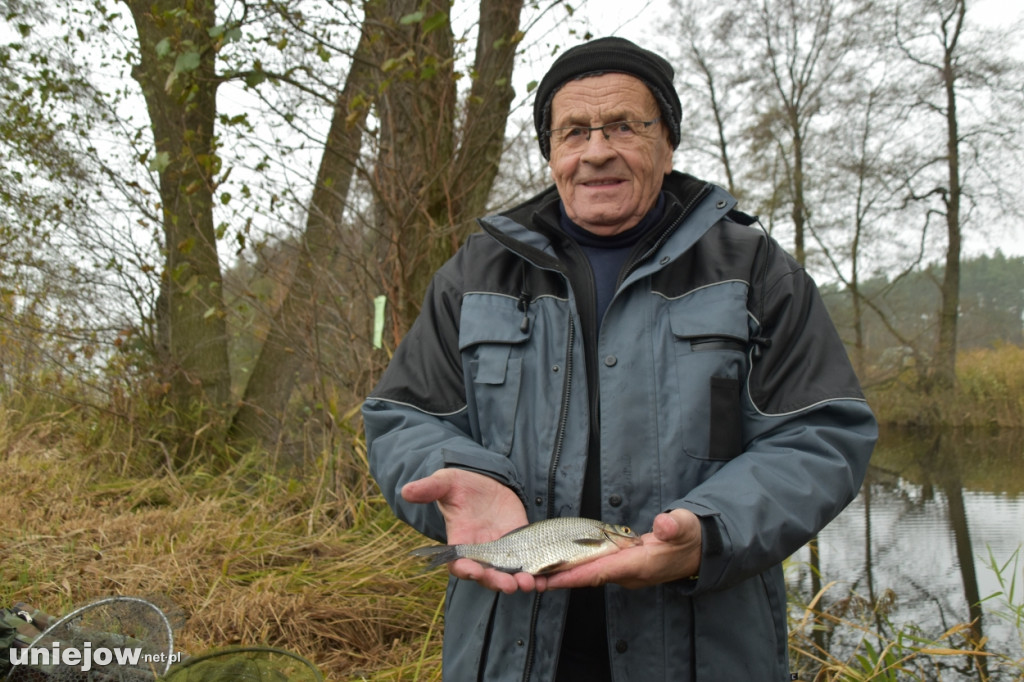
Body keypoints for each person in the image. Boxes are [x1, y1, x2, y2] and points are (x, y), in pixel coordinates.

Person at [362, 36, 877, 681]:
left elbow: (821, 435)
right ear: (550, 151)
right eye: (573, 131)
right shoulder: (474, 273)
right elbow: (402, 417)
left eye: (624, 127)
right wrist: (461, 478)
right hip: (505, 653)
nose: (596, 150)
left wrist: (707, 533)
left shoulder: (755, 270)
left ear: (667, 142)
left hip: (704, 653)